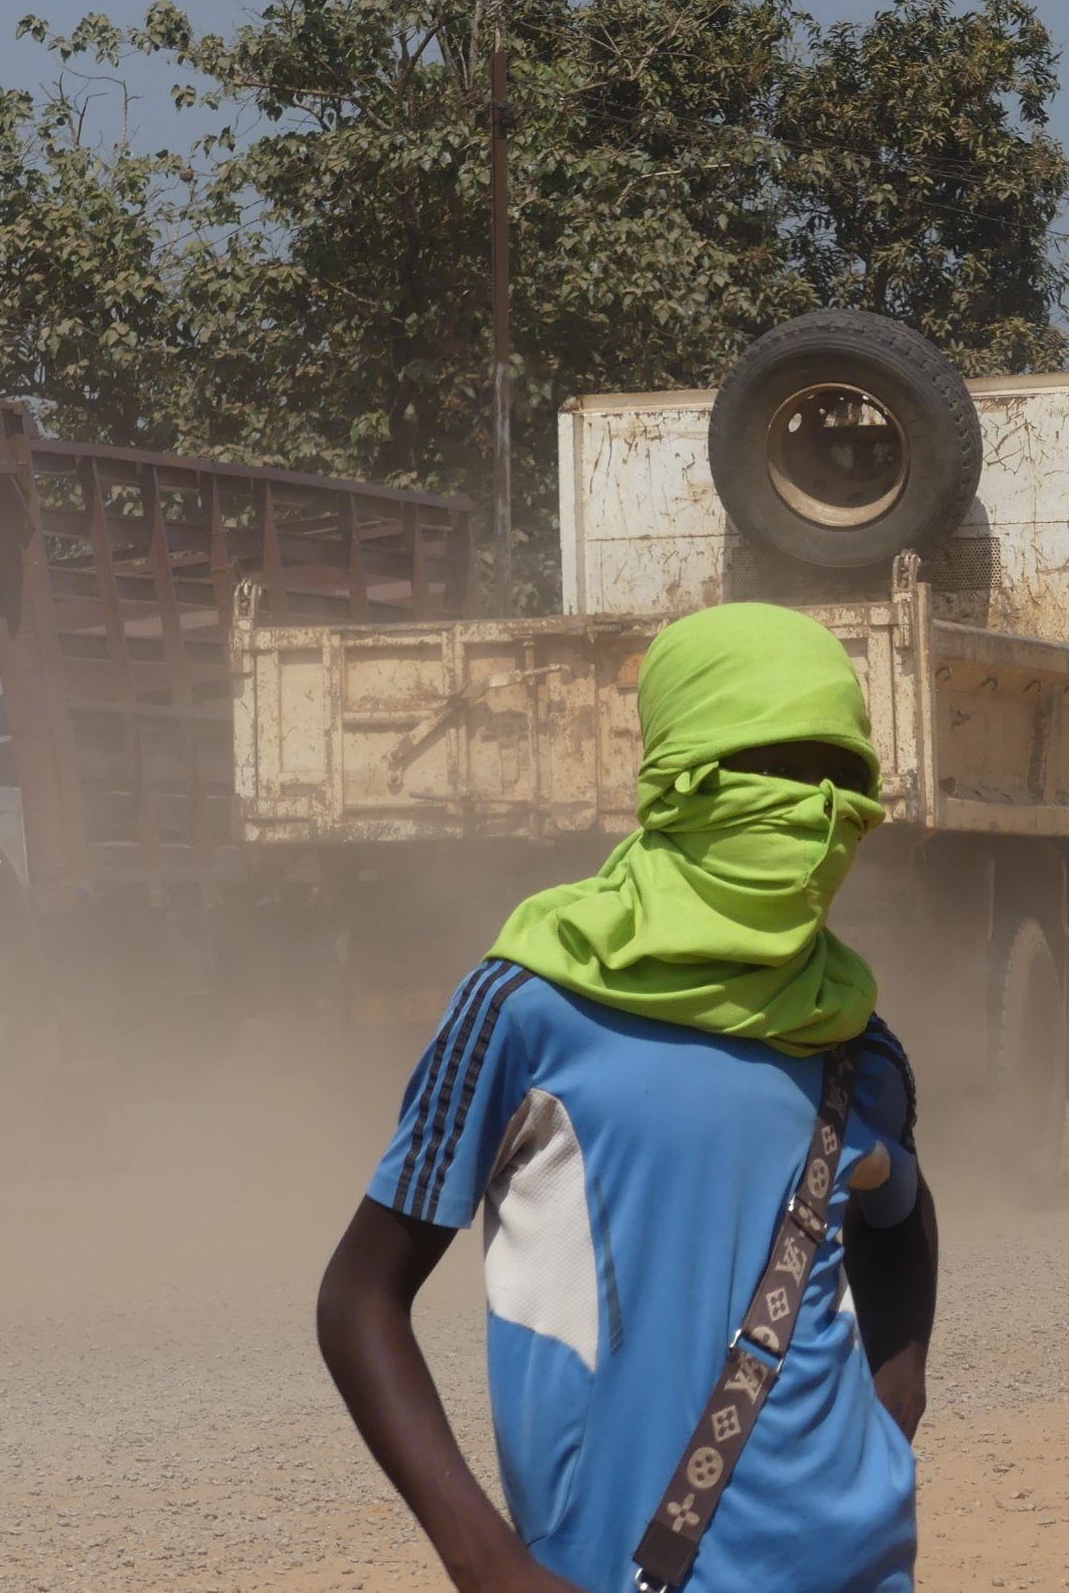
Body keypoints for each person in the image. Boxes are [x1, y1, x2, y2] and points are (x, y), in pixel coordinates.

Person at [314, 604, 937, 1593]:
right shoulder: (529, 1007)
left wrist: (893, 1397)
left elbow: (897, 1210)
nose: (817, 810)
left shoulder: (855, 1040)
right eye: (774, 770)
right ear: (678, 779)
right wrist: (486, 1562)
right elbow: (358, 1298)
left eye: (843, 777)